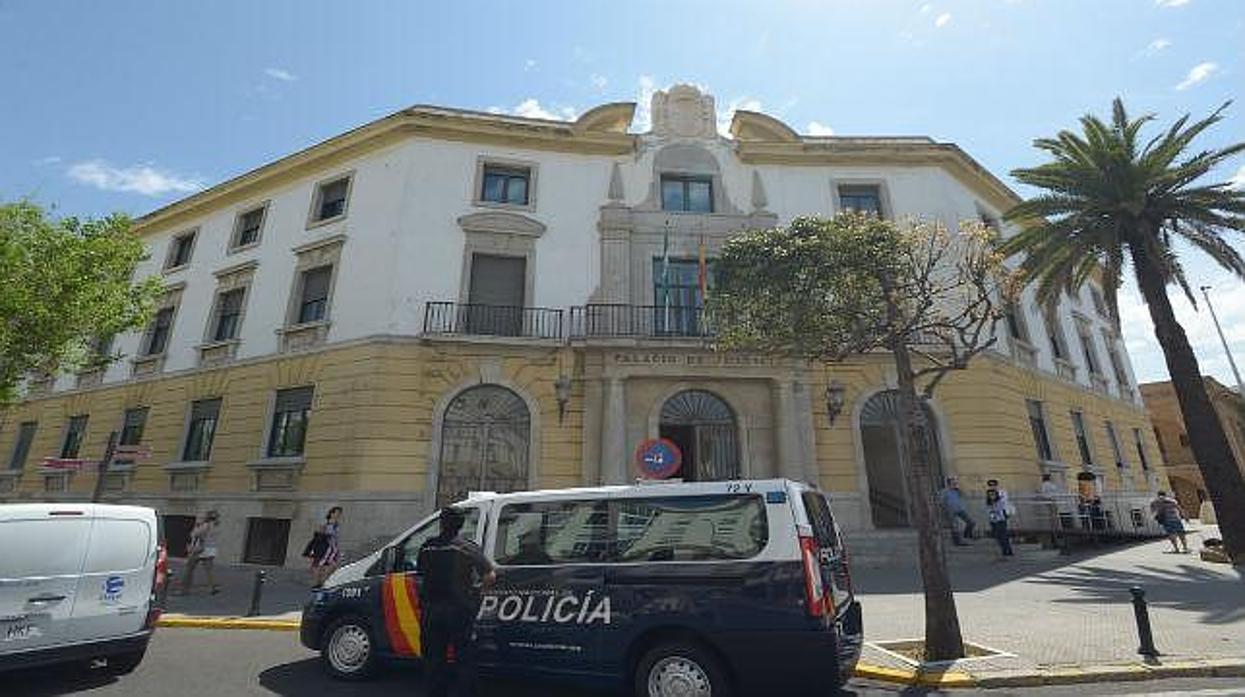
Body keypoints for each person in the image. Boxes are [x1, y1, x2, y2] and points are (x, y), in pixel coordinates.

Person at [416, 507, 497, 697]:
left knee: (434, 660)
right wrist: (478, 592)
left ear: (441, 524)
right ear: (460, 526)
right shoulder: (466, 547)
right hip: (458, 611)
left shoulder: (428, 546)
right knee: (464, 658)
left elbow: (420, 575)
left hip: (431, 611)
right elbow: (490, 575)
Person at [179, 510, 221, 595]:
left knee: (189, 569)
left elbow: (195, 534)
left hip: (199, 550)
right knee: (209, 570)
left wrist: (197, 528)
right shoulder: (216, 526)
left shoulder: (206, 525)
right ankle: (212, 587)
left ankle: (185, 589)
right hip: (211, 550)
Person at [308, 506, 343, 587]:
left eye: (339, 513)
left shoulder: (336, 524)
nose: (338, 515)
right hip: (326, 548)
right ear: (331, 513)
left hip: (333, 548)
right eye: (337, 512)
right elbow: (320, 535)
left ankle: (321, 582)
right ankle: (318, 583)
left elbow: (335, 537)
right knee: (320, 566)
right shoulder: (326, 523)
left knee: (332, 566)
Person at [938, 477, 976, 545]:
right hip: (950, 510)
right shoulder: (944, 491)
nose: (955, 484)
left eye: (955, 483)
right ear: (949, 484)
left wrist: (959, 489)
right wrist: (944, 510)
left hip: (960, 509)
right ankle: (957, 541)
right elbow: (941, 502)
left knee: (971, 522)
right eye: (953, 483)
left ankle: (967, 535)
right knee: (955, 526)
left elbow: (964, 495)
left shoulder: (957, 491)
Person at [985, 489, 1014, 558]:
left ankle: (1006, 550)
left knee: (1003, 536)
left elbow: (1003, 509)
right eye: (990, 495)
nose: (992, 496)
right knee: (999, 536)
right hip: (993, 521)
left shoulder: (1000, 502)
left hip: (1001, 520)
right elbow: (988, 511)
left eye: (993, 494)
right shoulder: (989, 502)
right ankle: (1006, 550)